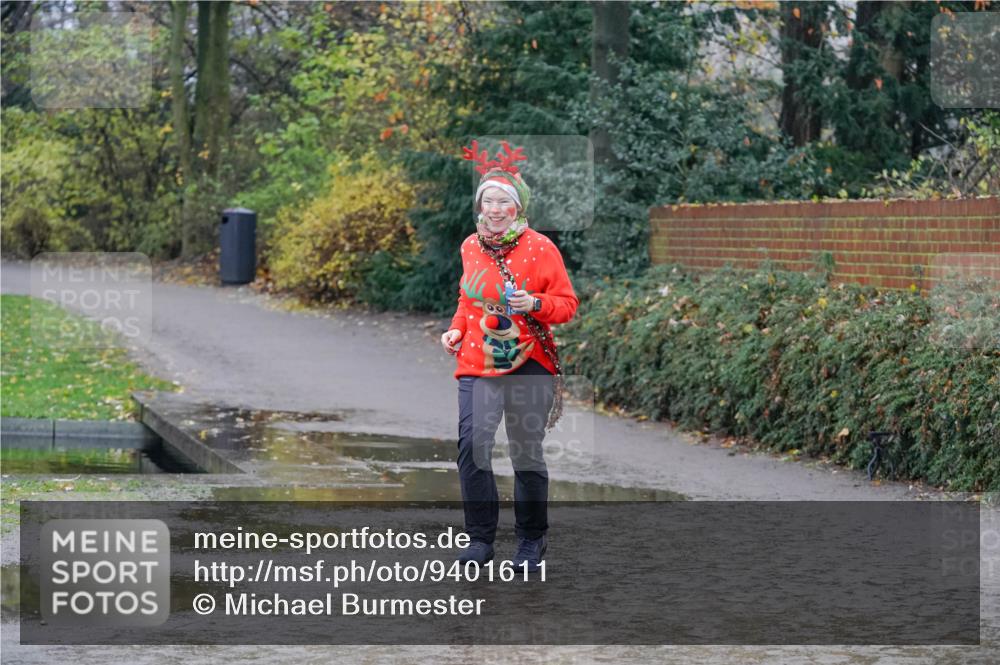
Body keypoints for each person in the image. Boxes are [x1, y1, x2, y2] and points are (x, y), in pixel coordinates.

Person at [440, 140, 579, 572]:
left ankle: (531, 542)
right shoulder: (470, 246)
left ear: (517, 207)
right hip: (478, 362)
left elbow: (568, 305)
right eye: (488, 201)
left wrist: (534, 304)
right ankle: (480, 541)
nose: (495, 209)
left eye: (503, 201)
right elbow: (468, 298)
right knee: (473, 447)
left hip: (528, 361)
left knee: (525, 452)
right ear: (480, 207)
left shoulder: (541, 249)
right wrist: (456, 329)